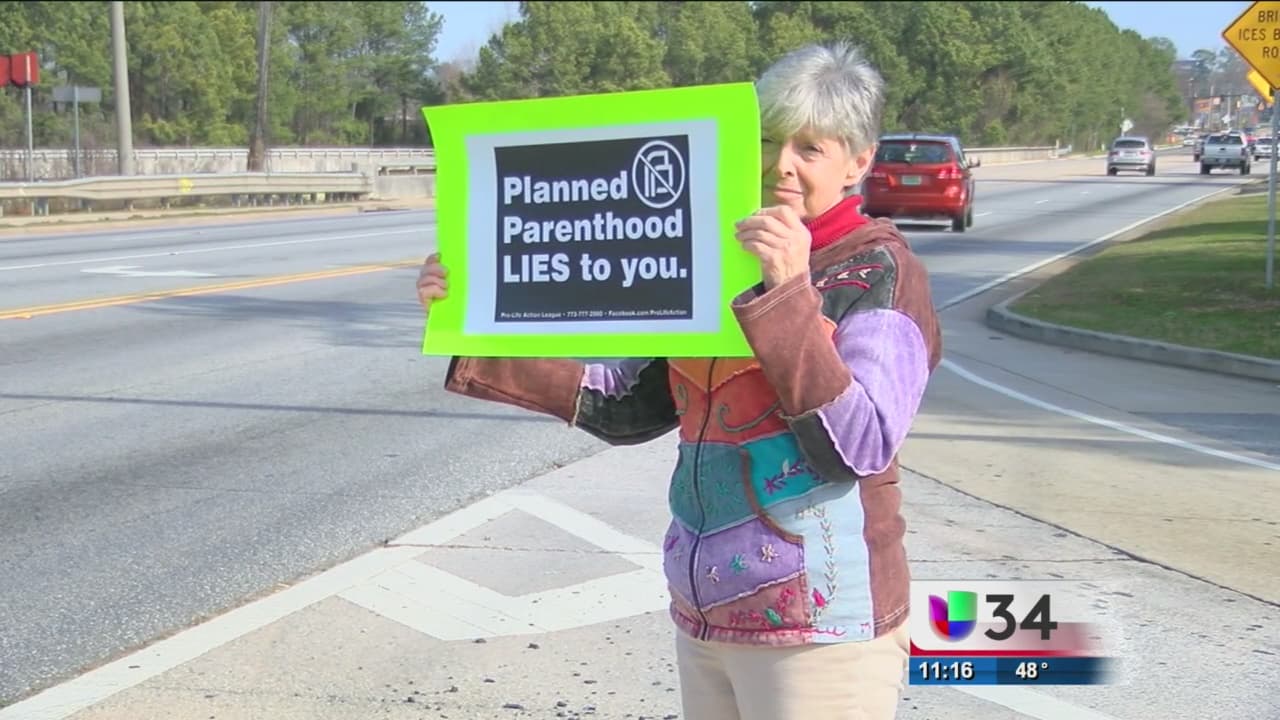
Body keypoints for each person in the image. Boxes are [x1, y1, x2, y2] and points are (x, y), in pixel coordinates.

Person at [417, 41, 942, 720]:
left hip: (822, 626)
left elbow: (859, 445)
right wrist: (470, 323)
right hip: (706, 615)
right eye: (767, 140)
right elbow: (627, 404)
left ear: (858, 162)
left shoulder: (878, 271)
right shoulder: (716, 256)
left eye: (810, 148)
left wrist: (788, 291)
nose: (781, 164)